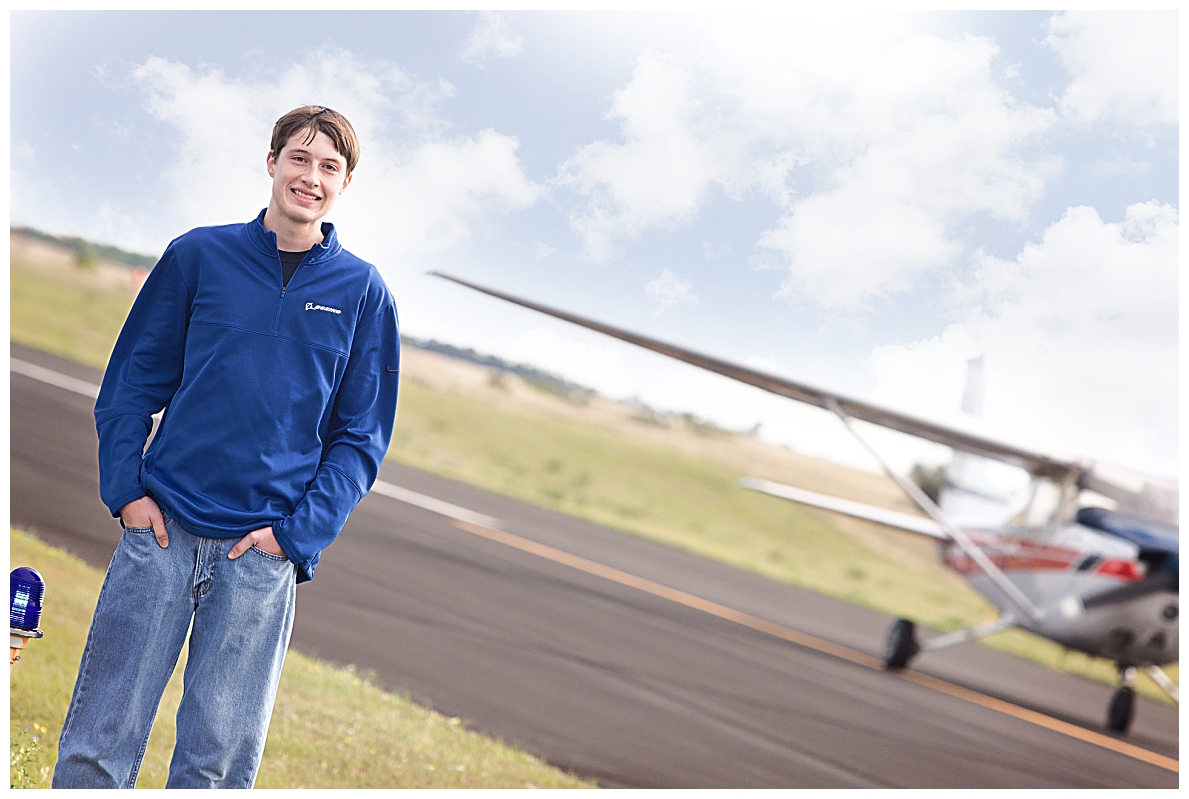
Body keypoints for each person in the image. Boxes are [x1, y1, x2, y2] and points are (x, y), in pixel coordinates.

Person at [53, 106, 400, 789]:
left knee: (215, 765)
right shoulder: (198, 255)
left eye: (329, 166)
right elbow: (130, 384)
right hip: (162, 536)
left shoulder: (363, 292)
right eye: (299, 158)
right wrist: (126, 492)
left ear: (346, 184)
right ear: (271, 161)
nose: (311, 176)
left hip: (258, 559)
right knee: (100, 741)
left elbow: (360, 439)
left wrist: (295, 538)